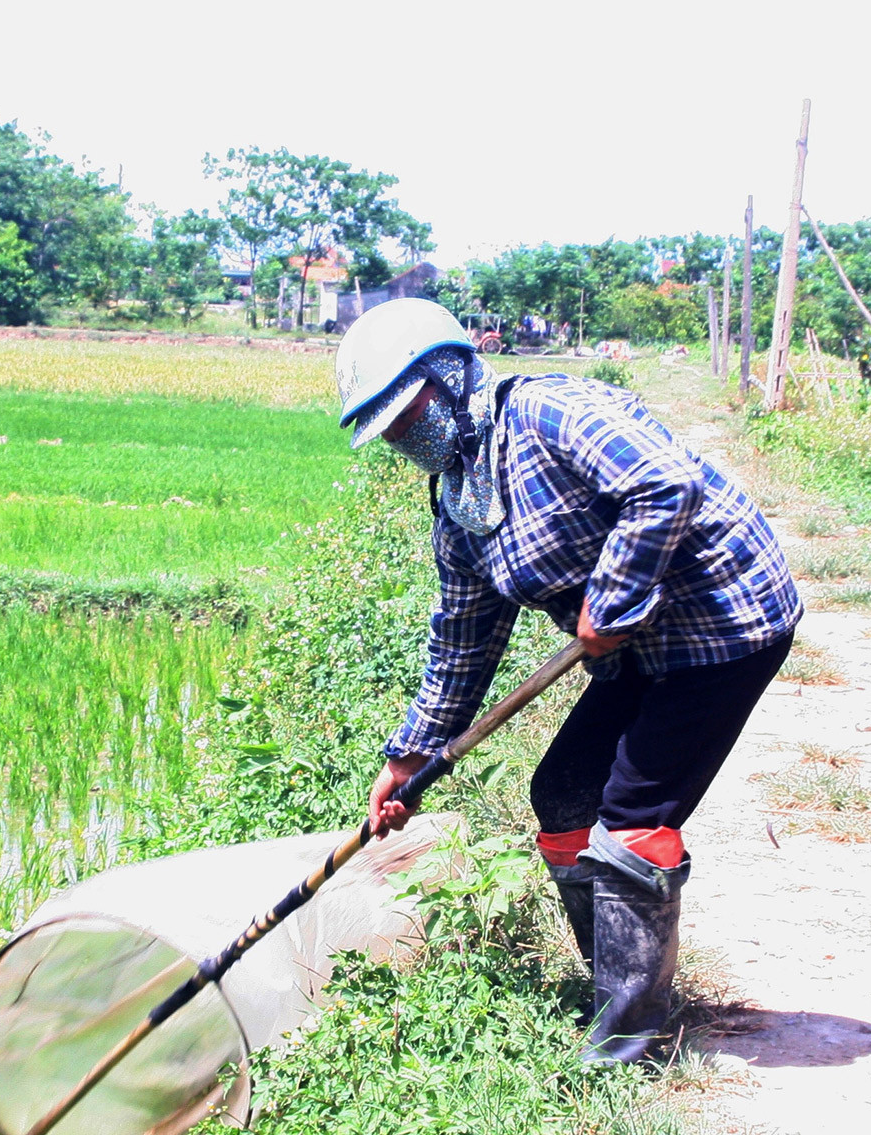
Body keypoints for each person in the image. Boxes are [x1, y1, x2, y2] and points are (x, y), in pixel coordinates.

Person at [335, 298, 801, 1064]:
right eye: (385, 428)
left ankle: (630, 1042)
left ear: (446, 377)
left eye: (403, 413)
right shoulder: (459, 499)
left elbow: (664, 485)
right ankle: (614, 981)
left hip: (725, 622)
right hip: (639, 647)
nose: (398, 436)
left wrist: (614, 596)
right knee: (562, 793)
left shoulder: (550, 415)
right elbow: (463, 639)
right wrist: (408, 756)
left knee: (631, 814)